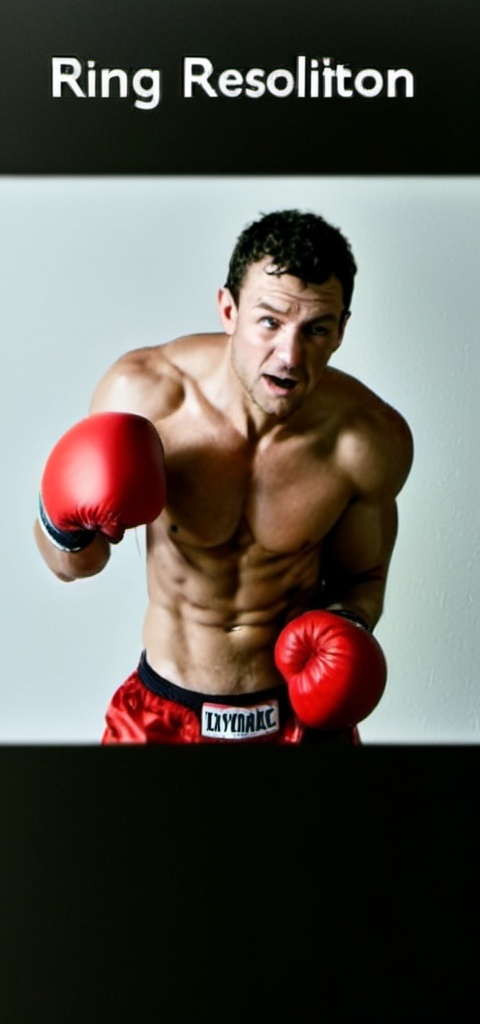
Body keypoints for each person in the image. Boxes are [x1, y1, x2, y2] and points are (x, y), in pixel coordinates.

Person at [35, 209, 413, 745]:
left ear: (342, 330)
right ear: (229, 309)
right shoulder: (145, 397)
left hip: (297, 722)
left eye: (316, 329)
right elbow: (72, 566)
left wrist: (347, 629)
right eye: (270, 321)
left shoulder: (368, 440)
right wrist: (63, 523)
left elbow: (363, 579)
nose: (289, 355)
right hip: (162, 716)